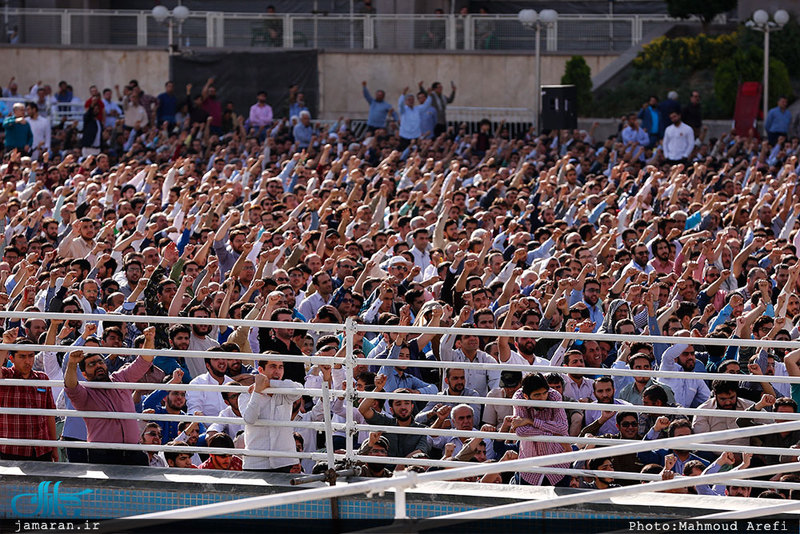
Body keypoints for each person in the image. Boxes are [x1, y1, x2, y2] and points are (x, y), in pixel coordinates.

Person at [64, 327, 157, 466]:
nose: (98, 365)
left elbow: (143, 362)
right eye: (92, 364)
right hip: (104, 455)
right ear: (84, 374)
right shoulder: (85, 393)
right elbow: (71, 387)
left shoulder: (120, 378)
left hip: (134, 451)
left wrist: (149, 339)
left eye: (100, 362)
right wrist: (72, 364)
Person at [0, 331, 58, 462]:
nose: (28, 361)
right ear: (11, 358)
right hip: (11, 451)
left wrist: (54, 446)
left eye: (31, 356)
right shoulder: (6, 376)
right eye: (22, 356)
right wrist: (5, 344)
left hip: (41, 450)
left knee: (43, 482)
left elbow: (50, 416)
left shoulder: (42, 378)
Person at [239, 358, 302, 472]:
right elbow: (249, 419)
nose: (277, 371)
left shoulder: (285, 391)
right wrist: (257, 391)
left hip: (285, 460)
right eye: (273, 366)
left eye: (280, 367)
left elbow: (299, 389)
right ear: (260, 370)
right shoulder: (246, 394)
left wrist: (269, 383)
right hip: (256, 462)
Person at [513, 373, 570, 486]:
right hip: (529, 464)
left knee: (562, 503)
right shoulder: (518, 398)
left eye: (544, 393)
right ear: (526, 396)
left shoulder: (555, 396)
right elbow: (521, 431)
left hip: (558, 462)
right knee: (529, 503)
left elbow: (563, 428)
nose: (542, 398)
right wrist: (554, 434)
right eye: (537, 395)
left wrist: (531, 421)